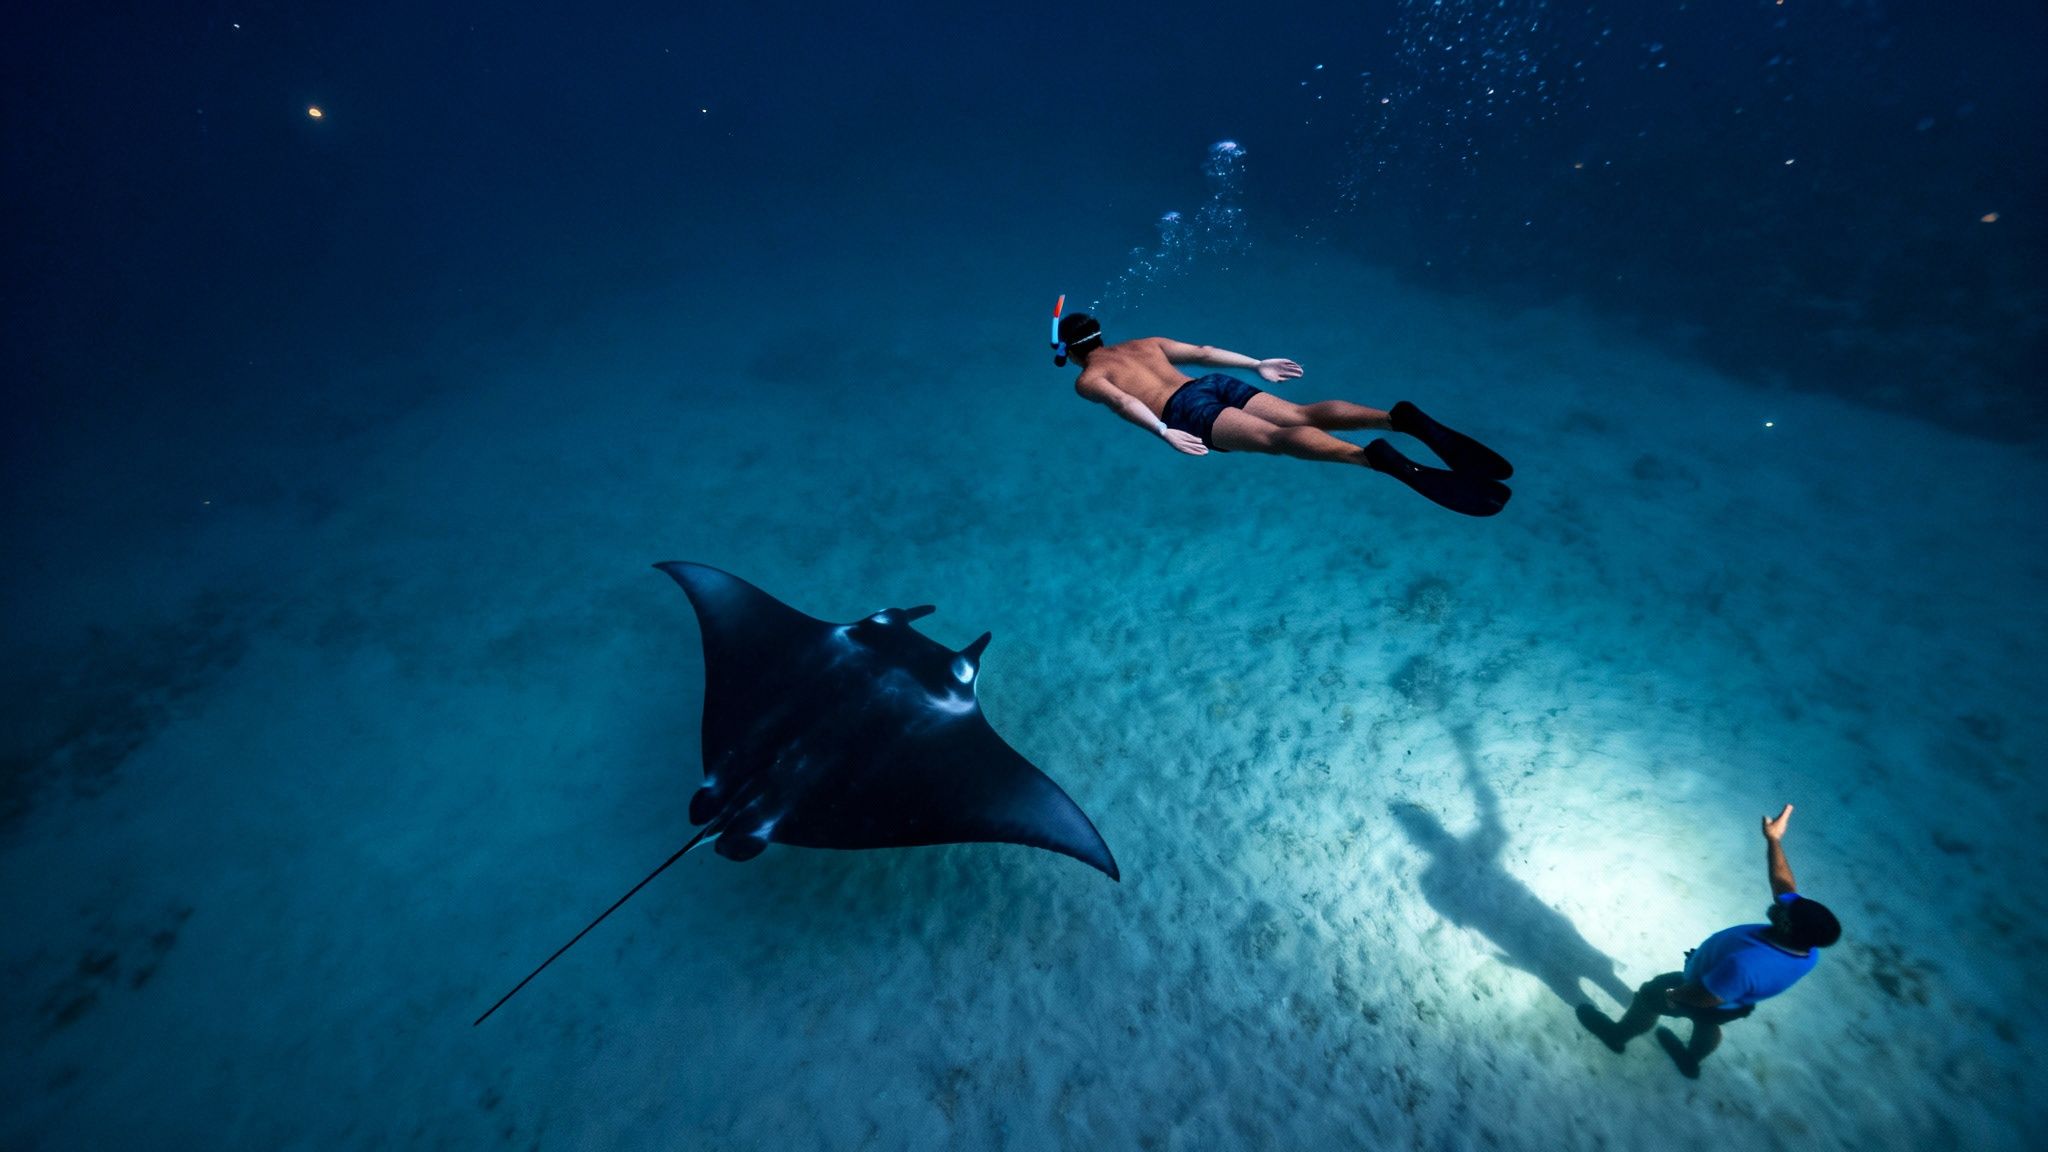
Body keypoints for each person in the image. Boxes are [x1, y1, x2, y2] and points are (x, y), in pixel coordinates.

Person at [1054, 309, 1515, 517]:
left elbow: (1125, 401)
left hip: (1185, 410)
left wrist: (1162, 430)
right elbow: (1204, 352)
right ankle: (1395, 419)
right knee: (1301, 414)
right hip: (1209, 384)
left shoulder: (1088, 378)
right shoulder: (1144, 343)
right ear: (1099, 332)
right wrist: (1256, 363)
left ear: (1070, 352)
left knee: (1277, 440)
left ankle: (1370, 458)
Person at [1576, 804, 1842, 1078]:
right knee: (1707, 1025)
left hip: (1706, 994)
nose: (1782, 901)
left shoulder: (1746, 965)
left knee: (1648, 996)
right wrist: (1774, 839)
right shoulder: (1808, 949)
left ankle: (1617, 1036)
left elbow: (1707, 996)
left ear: (1788, 927)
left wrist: (1673, 995)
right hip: (1736, 1003)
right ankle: (1691, 1061)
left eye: (1786, 909)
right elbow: (1784, 885)